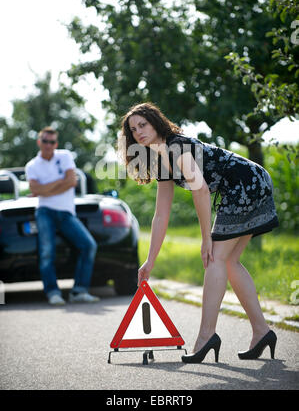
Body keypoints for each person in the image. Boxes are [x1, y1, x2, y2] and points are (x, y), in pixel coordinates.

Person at [119, 103, 279, 363]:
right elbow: (161, 215)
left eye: (142, 125)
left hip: (245, 182)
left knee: (215, 257)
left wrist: (207, 239)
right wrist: (151, 260)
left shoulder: (176, 146)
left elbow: (200, 189)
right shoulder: (161, 159)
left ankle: (206, 337)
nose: (138, 132)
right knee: (228, 261)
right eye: (133, 129)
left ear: (156, 122)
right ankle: (262, 332)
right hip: (247, 183)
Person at [25, 127, 99, 306]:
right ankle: (53, 293)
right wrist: (60, 182)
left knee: (89, 245)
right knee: (47, 252)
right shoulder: (32, 165)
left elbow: (72, 182)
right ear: (39, 142)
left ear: (56, 143)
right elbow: (35, 189)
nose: (48, 145)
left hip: (66, 213)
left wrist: (45, 189)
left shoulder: (65, 156)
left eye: (52, 142)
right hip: (45, 212)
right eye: (45, 141)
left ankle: (79, 291)